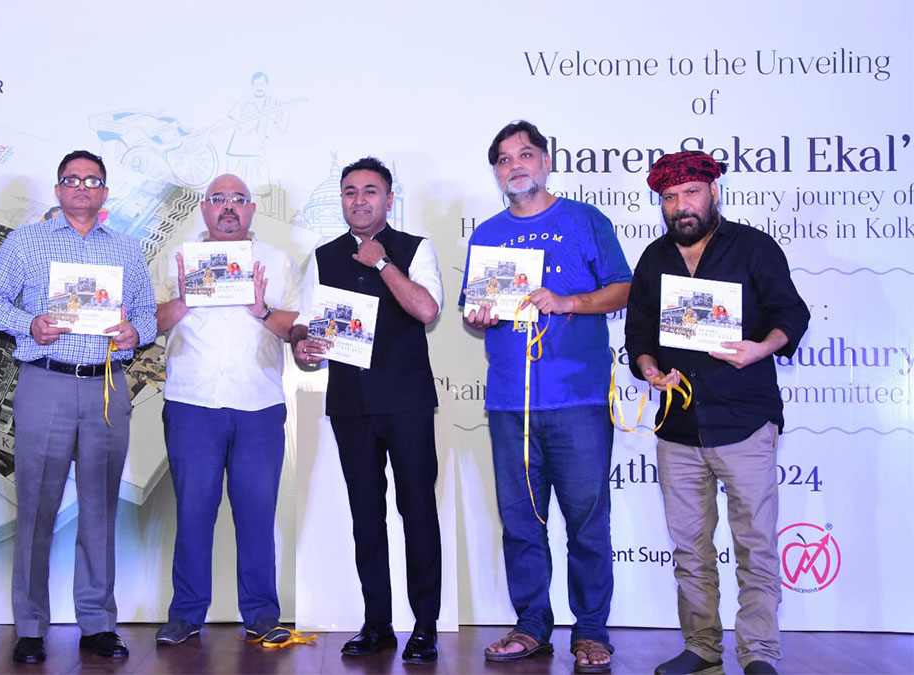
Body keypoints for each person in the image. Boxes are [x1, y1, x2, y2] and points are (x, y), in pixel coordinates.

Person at [626, 151, 809, 675]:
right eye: (670, 198)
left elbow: (790, 314)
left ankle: (759, 654)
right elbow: (638, 334)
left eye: (691, 194)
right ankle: (702, 648)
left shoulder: (753, 246)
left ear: (713, 193)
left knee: (755, 545)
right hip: (678, 425)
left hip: (744, 420)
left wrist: (760, 347)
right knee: (689, 550)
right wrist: (649, 368)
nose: (681, 206)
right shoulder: (654, 258)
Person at [0, 150, 157, 664]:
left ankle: (97, 624)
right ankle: (30, 626)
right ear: (57, 190)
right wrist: (28, 324)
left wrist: (135, 331)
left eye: (92, 180)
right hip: (46, 382)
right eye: (71, 180)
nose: (82, 187)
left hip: (105, 385)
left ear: (104, 192)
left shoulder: (125, 248)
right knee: (35, 508)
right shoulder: (26, 241)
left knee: (100, 509)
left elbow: (145, 313)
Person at [462, 121, 631, 673]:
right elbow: (473, 314)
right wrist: (479, 316)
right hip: (511, 403)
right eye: (505, 159)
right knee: (520, 522)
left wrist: (569, 302)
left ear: (545, 161)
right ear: (496, 173)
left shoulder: (585, 219)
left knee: (586, 522)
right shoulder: (486, 232)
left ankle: (590, 632)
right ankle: (531, 624)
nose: (516, 166)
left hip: (578, 398)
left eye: (526, 154)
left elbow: (624, 288)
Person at [290, 156, 443, 664]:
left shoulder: (415, 249)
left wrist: (381, 262)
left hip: (407, 402)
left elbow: (426, 310)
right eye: (350, 191)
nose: (359, 199)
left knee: (417, 511)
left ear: (389, 198)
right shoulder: (323, 256)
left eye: (370, 191)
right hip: (351, 404)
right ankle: (376, 622)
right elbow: (307, 327)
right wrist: (303, 348)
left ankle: (424, 626)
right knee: (366, 516)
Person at [151, 174, 301, 646]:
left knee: (257, 512)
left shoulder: (277, 262)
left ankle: (261, 613)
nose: (228, 207)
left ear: (252, 209)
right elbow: (149, 321)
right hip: (192, 401)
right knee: (194, 511)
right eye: (219, 199)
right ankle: (186, 613)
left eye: (238, 200)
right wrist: (186, 298)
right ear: (204, 208)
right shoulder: (175, 261)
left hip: (258, 403)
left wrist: (261, 310)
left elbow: (296, 327)